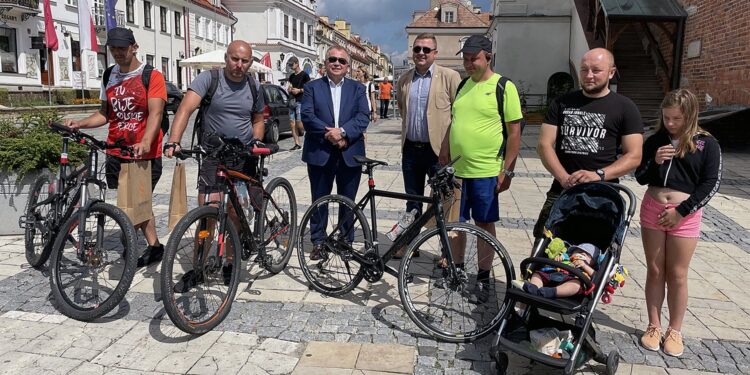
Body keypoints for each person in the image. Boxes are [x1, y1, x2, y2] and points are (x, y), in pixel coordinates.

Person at [163, 40, 265, 290]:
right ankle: (198, 268)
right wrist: (174, 141)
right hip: (213, 153)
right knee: (208, 211)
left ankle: (230, 262)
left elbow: (258, 118)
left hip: (242, 155)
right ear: (226, 58)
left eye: (244, 61)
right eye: (234, 59)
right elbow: (185, 110)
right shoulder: (209, 79)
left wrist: (257, 140)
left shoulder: (254, 84)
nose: (239, 65)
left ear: (250, 63)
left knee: (234, 212)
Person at [66, 27, 166, 268]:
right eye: (113, 49)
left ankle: (135, 243)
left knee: (135, 203)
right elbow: (105, 114)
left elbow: (156, 113)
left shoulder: (152, 76)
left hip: (143, 154)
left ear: (134, 47)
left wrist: (145, 141)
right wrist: (80, 124)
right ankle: (153, 247)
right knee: (131, 202)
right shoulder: (109, 75)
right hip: (115, 150)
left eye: (122, 48)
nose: (118, 53)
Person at [635, 89, 722, 357]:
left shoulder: (707, 144)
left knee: (677, 274)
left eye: (677, 119)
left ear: (691, 116)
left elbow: (711, 184)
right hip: (653, 209)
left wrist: (682, 211)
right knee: (655, 270)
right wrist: (654, 161)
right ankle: (653, 325)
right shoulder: (656, 140)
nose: (671, 123)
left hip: (684, 216)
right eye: (667, 117)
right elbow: (640, 176)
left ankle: (675, 329)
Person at [438, 35, 523, 302]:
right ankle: (457, 268)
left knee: (484, 225)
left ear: (488, 56)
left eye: (473, 58)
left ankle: (484, 276)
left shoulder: (503, 87)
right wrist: (444, 148)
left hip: (486, 171)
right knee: (455, 225)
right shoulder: (463, 85)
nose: (468, 64)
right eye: (465, 58)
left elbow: (514, 133)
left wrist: (507, 170)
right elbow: (456, 121)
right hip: (457, 171)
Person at [534, 48, 644, 246]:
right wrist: (563, 178)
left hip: (603, 195)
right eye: (584, 70)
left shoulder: (625, 107)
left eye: (596, 70)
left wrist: (598, 174)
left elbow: (634, 155)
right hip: (561, 191)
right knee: (544, 248)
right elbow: (544, 145)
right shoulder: (562, 103)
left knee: (594, 254)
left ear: (611, 72)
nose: (589, 75)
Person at [301, 46, 370, 260]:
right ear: (325, 63)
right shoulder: (312, 87)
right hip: (320, 151)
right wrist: (329, 134)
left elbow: (363, 116)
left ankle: (345, 241)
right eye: (333, 59)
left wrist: (342, 133)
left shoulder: (358, 88)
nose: (337, 63)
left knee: (348, 200)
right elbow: (307, 115)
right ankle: (319, 242)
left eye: (341, 60)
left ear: (348, 66)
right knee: (319, 199)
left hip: (350, 151)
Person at [395, 33, 461, 218]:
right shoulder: (405, 79)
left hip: (439, 152)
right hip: (411, 151)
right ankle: (412, 244)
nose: (421, 53)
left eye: (426, 49)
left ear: (435, 52)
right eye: (417, 49)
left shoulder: (450, 76)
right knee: (413, 202)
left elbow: (458, 114)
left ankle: (445, 246)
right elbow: (402, 109)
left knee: (444, 201)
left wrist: (447, 147)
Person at [519, 243, 600, 298]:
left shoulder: (589, 268)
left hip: (571, 280)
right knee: (537, 274)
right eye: (578, 251)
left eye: (587, 255)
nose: (582, 254)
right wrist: (558, 258)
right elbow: (556, 259)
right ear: (571, 253)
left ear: (593, 263)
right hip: (552, 274)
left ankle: (551, 292)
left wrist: (584, 266)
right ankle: (534, 288)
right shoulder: (566, 257)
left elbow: (596, 276)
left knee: (576, 285)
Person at [287, 57, 309, 150]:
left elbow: (309, 88)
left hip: (300, 101)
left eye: (292, 64)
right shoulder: (291, 76)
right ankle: (297, 143)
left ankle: (308, 138)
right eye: (290, 65)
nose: (291, 66)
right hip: (292, 101)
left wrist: (299, 90)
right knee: (292, 123)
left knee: (300, 123)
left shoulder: (304, 75)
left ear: (297, 63)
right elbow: (289, 86)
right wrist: (289, 89)